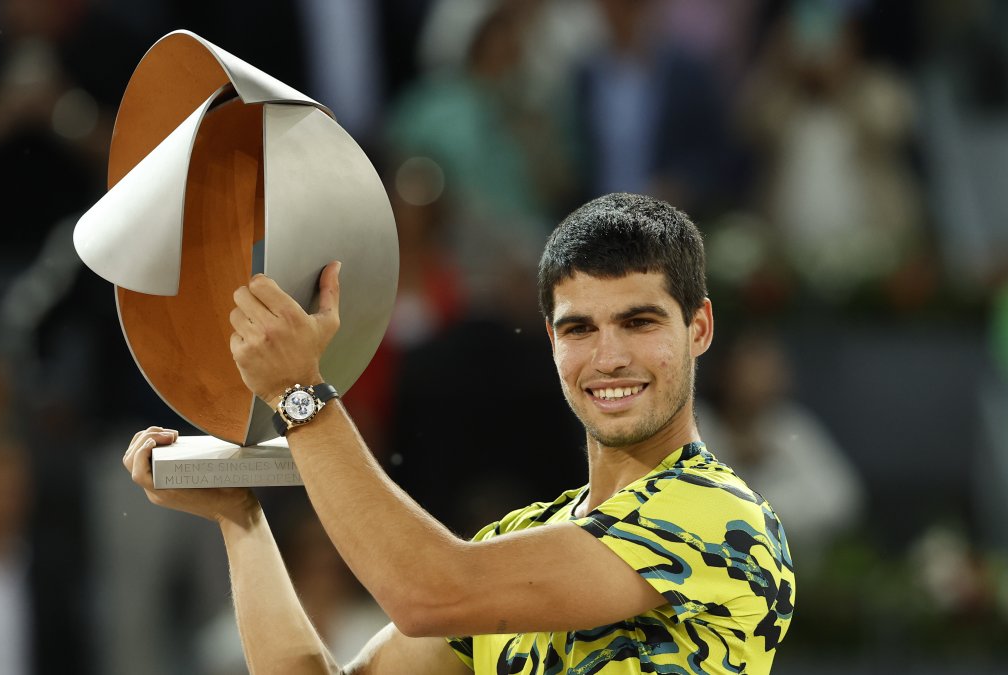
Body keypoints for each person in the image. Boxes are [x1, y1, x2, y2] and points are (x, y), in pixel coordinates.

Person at [121, 193, 796, 674]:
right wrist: (241, 520)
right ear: (551, 343)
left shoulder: (719, 517)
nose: (609, 357)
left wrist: (300, 394)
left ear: (699, 327)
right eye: (579, 328)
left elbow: (428, 591)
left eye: (640, 322)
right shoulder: (515, 542)